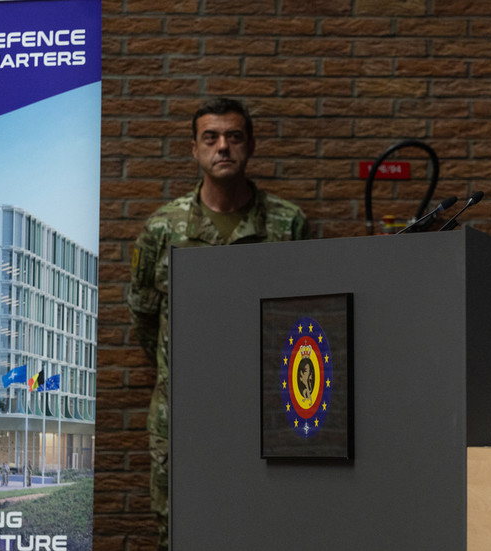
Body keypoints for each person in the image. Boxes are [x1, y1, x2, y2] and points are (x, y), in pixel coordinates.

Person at [127, 97, 309, 549]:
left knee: (266, 527)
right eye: (210, 138)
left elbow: (306, 318)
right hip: (183, 415)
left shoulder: (287, 225)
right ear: (194, 149)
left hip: (266, 413)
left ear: (251, 145)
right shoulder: (162, 229)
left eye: (234, 136)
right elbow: (145, 318)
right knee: (179, 528)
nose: (223, 146)